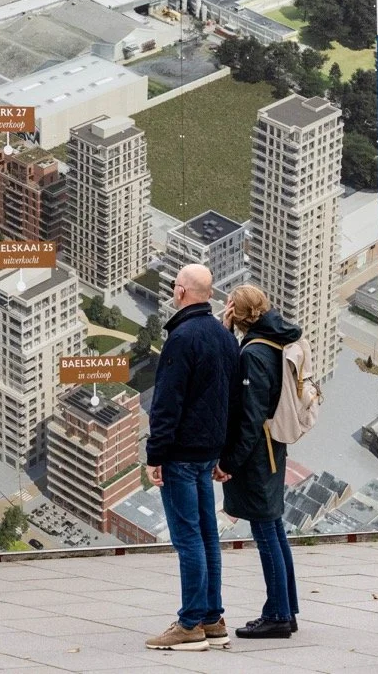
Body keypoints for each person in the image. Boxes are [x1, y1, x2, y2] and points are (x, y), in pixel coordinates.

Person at [144, 264, 239, 652]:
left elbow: (167, 403)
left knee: (188, 539)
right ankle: (212, 618)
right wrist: (224, 452)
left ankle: (189, 624)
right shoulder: (223, 335)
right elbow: (233, 401)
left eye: (173, 285)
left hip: (182, 454)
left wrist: (155, 454)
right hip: (208, 451)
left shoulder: (182, 338)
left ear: (181, 291)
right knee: (207, 536)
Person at [215, 284, 301, 639]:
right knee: (275, 531)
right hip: (271, 448)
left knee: (266, 533)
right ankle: (286, 609)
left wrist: (230, 462)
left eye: (228, 306)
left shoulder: (252, 353)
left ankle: (278, 615)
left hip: (256, 455)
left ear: (236, 310)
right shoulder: (273, 339)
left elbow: (249, 417)